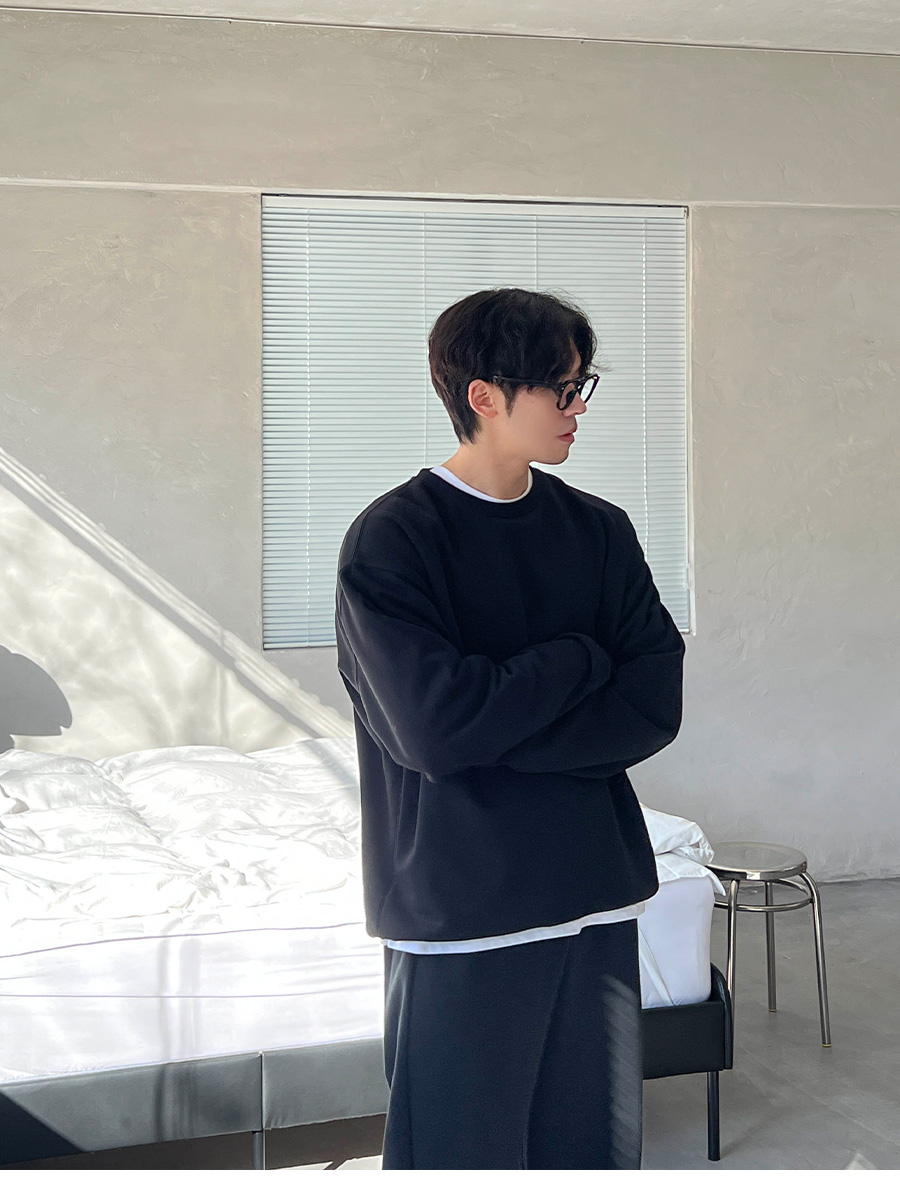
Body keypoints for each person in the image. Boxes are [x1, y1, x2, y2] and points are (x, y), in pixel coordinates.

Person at [334, 287, 686, 1169]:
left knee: (592, 1152)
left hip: (593, 887)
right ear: (484, 395)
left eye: (581, 387)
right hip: (462, 903)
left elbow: (652, 703)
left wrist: (494, 723)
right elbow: (431, 731)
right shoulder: (393, 540)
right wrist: (576, 659)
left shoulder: (599, 530)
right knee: (458, 1154)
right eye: (561, 389)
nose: (577, 408)